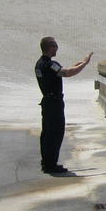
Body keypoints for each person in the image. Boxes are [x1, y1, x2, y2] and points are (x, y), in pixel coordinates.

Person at [35, 36, 92, 175]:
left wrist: (81, 62)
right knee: (55, 133)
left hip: (47, 102)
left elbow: (64, 70)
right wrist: (84, 64)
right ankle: (51, 165)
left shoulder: (40, 64)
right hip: (54, 104)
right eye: (55, 46)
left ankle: (46, 163)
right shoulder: (50, 64)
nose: (57, 48)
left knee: (47, 133)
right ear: (50, 48)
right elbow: (67, 73)